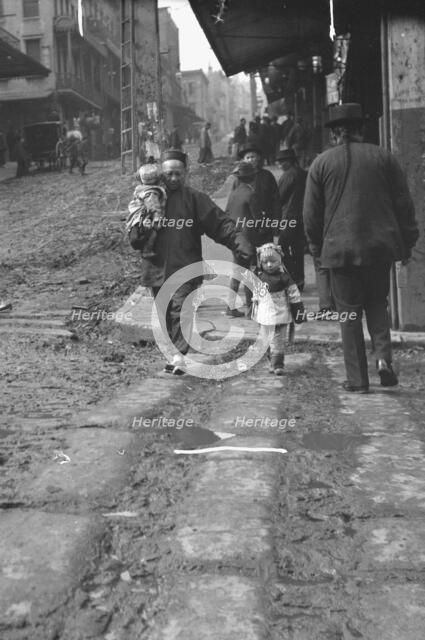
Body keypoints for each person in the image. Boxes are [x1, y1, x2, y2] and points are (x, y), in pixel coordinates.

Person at [303, 102, 419, 393]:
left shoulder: (321, 164)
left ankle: (358, 380)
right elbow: (404, 205)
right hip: (380, 248)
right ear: (362, 130)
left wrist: (319, 253)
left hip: (339, 252)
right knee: (378, 304)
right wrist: (407, 242)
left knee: (349, 314)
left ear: (334, 134)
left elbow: (310, 217)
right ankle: (383, 360)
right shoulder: (384, 158)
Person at [128, 148, 253, 374]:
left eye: (178, 173)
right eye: (169, 174)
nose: (173, 178)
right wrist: (139, 230)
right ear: (161, 173)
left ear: (186, 173)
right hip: (155, 267)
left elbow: (220, 224)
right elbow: (134, 230)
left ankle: (178, 356)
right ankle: (176, 353)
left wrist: (240, 243)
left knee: (181, 309)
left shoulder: (195, 199)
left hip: (186, 267)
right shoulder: (149, 197)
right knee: (164, 312)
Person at [227, 143, 281, 316]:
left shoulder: (263, 178)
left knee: (239, 270)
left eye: (254, 156)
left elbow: (229, 211)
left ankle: (231, 306)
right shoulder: (250, 193)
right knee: (254, 270)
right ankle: (253, 308)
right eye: (248, 157)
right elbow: (257, 217)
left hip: (238, 236)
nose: (251, 159)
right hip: (254, 236)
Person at [251, 243, 304, 375]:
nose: (269, 265)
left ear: (279, 260)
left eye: (273, 261)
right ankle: (272, 362)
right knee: (266, 341)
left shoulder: (284, 278)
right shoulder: (259, 278)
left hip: (281, 314)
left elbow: (294, 294)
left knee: (278, 340)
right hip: (264, 316)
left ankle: (278, 364)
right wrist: (253, 307)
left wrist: (298, 309)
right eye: (265, 262)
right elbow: (255, 296)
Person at [276, 148, 307, 291]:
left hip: (288, 218)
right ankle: (300, 280)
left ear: (290, 161)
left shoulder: (288, 176)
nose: (280, 165)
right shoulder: (304, 173)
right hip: (302, 217)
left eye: (282, 162)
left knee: (282, 249)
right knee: (298, 250)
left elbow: (278, 198)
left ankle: (292, 278)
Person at [126, 163, 167, 258]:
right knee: (153, 232)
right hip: (145, 215)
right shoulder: (151, 193)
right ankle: (147, 250)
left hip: (137, 215)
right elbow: (154, 207)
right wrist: (157, 219)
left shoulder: (141, 188)